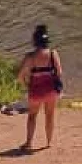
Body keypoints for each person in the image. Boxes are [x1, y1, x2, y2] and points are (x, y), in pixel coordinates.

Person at [17, 24, 63, 152]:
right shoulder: (53, 53)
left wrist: (27, 84)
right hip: (51, 90)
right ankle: (48, 142)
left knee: (32, 116)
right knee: (50, 116)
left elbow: (20, 76)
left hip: (35, 90)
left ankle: (29, 143)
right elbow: (59, 72)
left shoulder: (30, 57)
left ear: (35, 42)